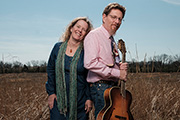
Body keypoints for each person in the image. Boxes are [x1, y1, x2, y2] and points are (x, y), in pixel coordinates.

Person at [84, 3, 128, 118]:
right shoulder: (94, 35)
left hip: (112, 87)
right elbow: (90, 63)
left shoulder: (112, 40)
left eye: (120, 19)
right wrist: (118, 73)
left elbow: (110, 64)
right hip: (100, 87)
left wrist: (120, 67)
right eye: (113, 17)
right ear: (104, 17)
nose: (117, 22)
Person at [46, 17, 93, 120]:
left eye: (84, 29)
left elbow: (89, 76)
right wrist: (51, 93)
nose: (80, 30)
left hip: (80, 103)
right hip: (58, 102)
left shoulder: (86, 52)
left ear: (86, 34)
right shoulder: (57, 48)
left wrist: (89, 98)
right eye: (78, 26)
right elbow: (50, 71)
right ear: (71, 28)